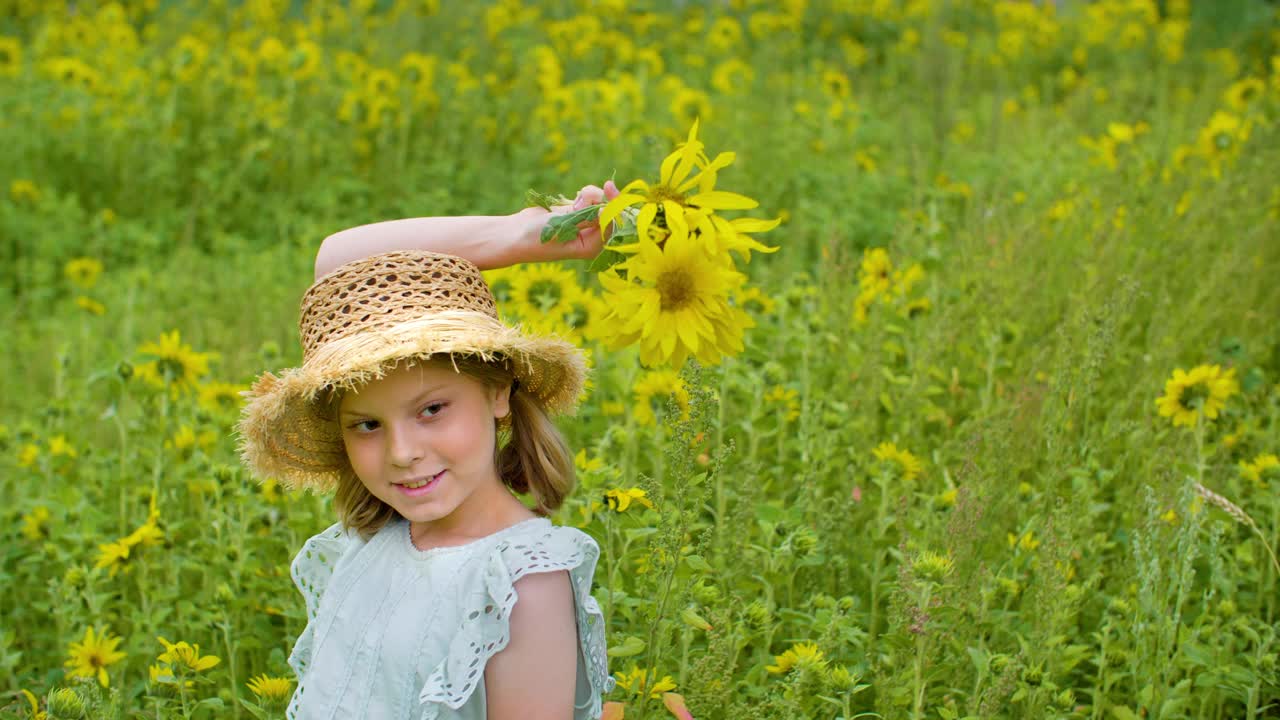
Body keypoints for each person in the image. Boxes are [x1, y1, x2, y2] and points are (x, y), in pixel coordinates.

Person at [236, 181, 622, 720]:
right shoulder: (382, 542)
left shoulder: (520, 583)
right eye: (367, 424)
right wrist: (527, 232)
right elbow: (336, 256)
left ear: (497, 393)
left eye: (431, 410)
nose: (401, 452)